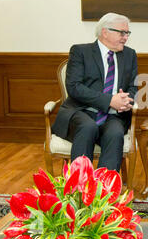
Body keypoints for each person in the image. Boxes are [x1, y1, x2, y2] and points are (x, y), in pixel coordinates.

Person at [51, 12, 137, 172]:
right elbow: (74, 87)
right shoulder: (80, 52)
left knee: (115, 132)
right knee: (88, 127)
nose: (126, 37)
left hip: (113, 115)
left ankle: (105, 191)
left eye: (127, 33)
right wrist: (109, 100)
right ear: (105, 32)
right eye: (122, 32)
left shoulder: (129, 55)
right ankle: (80, 188)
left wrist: (126, 101)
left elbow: (133, 87)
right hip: (80, 111)